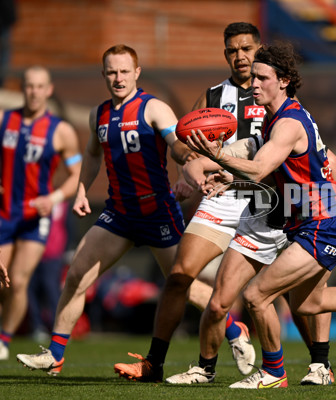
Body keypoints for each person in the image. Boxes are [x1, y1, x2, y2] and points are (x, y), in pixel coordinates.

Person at [186, 41, 336, 389]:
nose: (253, 84)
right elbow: (278, 175)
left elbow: (260, 168)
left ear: (283, 81)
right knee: (312, 303)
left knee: (255, 296)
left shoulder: (288, 124)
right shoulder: (277, 119)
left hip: (322, 225)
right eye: (252, 77)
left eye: (262, 77)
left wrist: (218, 155)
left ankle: (273, 373)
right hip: (311, 223)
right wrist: (229, 176)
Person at [113, 22, 334, 385]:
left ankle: (318, 364)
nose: (240, 56)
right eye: (232, 50)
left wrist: (333, 187)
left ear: (260, 50)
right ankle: (159, 363)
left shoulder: (281, 96)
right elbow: (188, 147)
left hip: (270, 200)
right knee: (180, 275)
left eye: (247, 48)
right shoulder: (213, 97)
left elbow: (313, 150)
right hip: (225, 194)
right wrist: (192, 172)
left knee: (297, 296)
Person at [14, 44, 218, 375]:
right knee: (77, 273)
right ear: (104, 75)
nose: (118, 78)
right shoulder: (100, 114)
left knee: (183, 284)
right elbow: (93, 154)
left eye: (124, 71)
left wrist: (190, 161)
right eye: (111, 72)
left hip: (157, 212)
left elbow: (177, 145)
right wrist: (81, 188)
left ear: (136, 73)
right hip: (119, 214)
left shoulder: (154, 108)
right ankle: (55, 353)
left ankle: (235, 329)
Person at [0, 66, 81, 360]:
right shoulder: (4, 120)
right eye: (28, 86)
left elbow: (76, 174)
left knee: (19, 281)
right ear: (22, 89)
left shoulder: (61, 131)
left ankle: (3, 341)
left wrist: (55, 197)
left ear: (48, 90)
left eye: (39, 86)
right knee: (1, 281)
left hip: (36, 217)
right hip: (4, 213)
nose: (33, 91)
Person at [27, 200, 70, 343]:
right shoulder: (33, 200)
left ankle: (58, 329)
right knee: (30, 290)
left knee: (51, 289)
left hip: (54, 253)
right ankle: (37, 326)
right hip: (32, 252)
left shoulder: (62, 202)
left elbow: (69, 226)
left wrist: (68, 250)